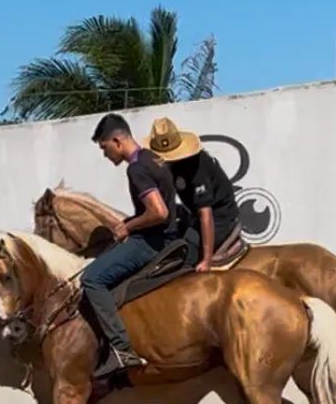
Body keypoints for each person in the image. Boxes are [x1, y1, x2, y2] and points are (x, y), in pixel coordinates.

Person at [79, 112, 180, 379]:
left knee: (91, 279)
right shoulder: (153, 158)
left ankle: (122, 349)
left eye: (105, 148)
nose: (105, 155)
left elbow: (159, 212)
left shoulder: (136, 169)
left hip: (152, 242)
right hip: (167, 236)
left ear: (117, 141)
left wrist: (129, 227)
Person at [144, 116, 242, 272]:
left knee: (183, 255)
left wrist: (206, 260)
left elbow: (206, 214)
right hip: (196, 215)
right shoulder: (173, 166)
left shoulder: (197, 168)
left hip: (220, 218)